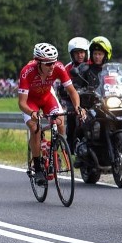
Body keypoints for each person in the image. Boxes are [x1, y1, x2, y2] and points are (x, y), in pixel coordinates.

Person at [17, 43, 85, 186]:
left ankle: (54, 153)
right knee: (35, 128)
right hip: (30, 101)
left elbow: (72, 91)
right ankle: (37, 168)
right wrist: (32, 112)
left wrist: (78, 107)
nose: (52, 66)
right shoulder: (27, 72)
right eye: (48, 64)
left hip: (47, 97)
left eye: (53, 62)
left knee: (60, 121)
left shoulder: (58, 67)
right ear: (38, 62)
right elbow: (22, 103)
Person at [71, 35, 113, 165]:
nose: (97, 56)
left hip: (109, 105)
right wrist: (79, 89)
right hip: (92, 106)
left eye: (100, 54)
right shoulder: (85, 69)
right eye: (95, 53)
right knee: (83, 121)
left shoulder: (112, 70)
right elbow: (76, 84)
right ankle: (79, 150)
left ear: (106, 54)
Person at [61, 36, 89, 153]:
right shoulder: (67, 68)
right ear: (72, 54)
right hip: (73, 99)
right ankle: (71, 147)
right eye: (77, 53)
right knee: (73, 117)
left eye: (82, 52)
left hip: (90, 98)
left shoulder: (92, 65)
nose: (80, 55)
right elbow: (63, 88)